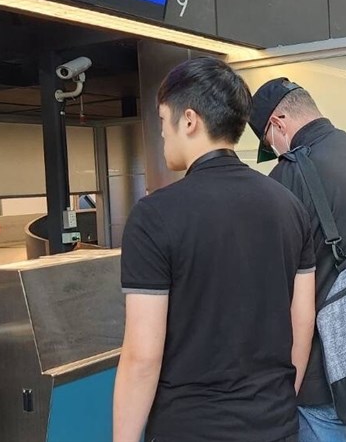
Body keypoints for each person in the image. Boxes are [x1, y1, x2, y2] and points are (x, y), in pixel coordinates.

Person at [113, 58, 316, 442]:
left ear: (189, 120)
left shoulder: (153, 216)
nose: (162, 136)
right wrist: (277, 404)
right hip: (275, 425)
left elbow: (142, 356)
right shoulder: (288, 205)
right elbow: (301, 321)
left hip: (190, 428)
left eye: (162, 122)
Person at [249, 78, 346, 442]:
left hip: (323, 380)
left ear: (278, 122)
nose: (273, 150)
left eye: (268, 142)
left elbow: (272, 286)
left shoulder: (289, 174)